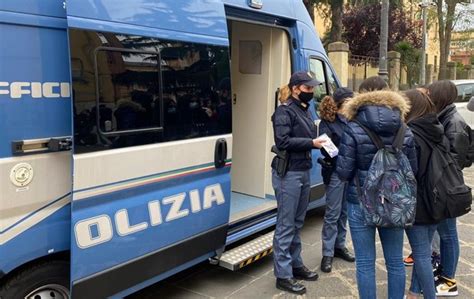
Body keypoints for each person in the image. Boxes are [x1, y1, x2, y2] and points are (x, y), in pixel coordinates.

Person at [336, 76, 417, 299]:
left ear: (361, 95)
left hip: (360, 200)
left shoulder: (353, 127)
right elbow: (414, 170)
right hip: (394, 201)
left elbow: (343, 172)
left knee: (364, 262)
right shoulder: (404, 128)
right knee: (394, 261)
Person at [271, 71, 325, 295]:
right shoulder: (283, 112)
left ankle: (295, 264)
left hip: (302, 171)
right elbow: (283, 141)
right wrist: (312, 143)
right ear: (295, 89)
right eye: (307, 88)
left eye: (312, 89)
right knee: (285, 225)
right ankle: (283, 275)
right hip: (288, 174)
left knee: (297, 222)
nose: (311, 92)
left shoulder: (304, 109)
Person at [404, 89, 448, 299]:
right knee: (425, 251)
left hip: (420, 202)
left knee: (421, 254)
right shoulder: (437, 128)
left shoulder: (411, 135)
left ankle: (429, 296)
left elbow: (411, 173)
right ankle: (414, 292)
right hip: (437, 200)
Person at [428, 80, 470, 296]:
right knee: (445, 233)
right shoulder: (444, 117)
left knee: (449, 234)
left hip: (448, 188)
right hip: (442, 186)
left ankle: (449, 280)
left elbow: (455, 159)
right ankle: (444, 272)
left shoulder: (453, 122)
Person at [318, 88, 355, 273]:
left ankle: (339, 246)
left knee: (344, 212)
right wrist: (345, 157)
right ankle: (327, 253)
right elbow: (326, 148)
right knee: (332, 213)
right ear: (341, 103)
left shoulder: (351, 120)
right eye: (349, 101)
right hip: (334, 173)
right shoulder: (327, 122)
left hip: (349, 173)